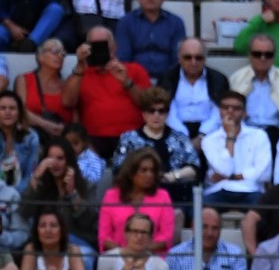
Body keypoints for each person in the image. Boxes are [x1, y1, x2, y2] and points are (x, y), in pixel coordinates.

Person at [63, 26, 148, 162]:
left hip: (129, 136)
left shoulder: (134, 69)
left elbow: (147, 104)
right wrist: (79, 66)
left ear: (114, 46)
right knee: (85, 164)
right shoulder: (80, 74)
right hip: (93, 138)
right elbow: (67, 101)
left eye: (103, 43)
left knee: (131, 165)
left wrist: (127, 82)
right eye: (93, 44)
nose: (98, 48)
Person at [113, 87, 200, 207]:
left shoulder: (180, 138)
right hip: (139, 196)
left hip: (175, 194)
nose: (156, 115)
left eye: (161, 111)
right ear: (143, 113)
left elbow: (194, 168)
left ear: (168, 113)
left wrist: (173, 176)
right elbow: (119, 170)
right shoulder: (129, 139)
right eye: (151, 111)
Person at [229, 34, 279, 150]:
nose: (263, 58)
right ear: (249, 55)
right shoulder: (237, 79)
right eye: (257, 54)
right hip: (245, 134)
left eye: (268, 55)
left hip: (277, 135)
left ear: (274, 56)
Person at [202, 90, 273, 209]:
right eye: (225, 107)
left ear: (244, 113)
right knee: (201, 211)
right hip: (220, 189)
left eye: (236, 108)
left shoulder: (259, 135)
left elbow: (263, 174)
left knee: (262, 211)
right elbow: (225, 169)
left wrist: (231, 177)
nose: (230, 111)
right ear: (219, 111)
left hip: (251, 190)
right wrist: (230, 136)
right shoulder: (209, 140)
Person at [99, 149, 175, 255]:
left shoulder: (163, 196)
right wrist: (126, 253)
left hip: (151, 257)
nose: (149, 175)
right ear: (131, 173)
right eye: (143, 170)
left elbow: (166, 237)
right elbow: (104, 237)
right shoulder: (111, 196)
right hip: (117, 256)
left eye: (152, 171)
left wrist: (140, 251)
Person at [20, 137, 97, 243]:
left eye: (60, 158)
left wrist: (72, 193)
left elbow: (89, 223)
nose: (54, 163)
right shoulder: (41, 186)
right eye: (50, 159)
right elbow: (24, 212)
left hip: (78, 242)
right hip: (47, 243)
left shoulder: (87, 186)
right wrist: (36, 176)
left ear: (69, 160)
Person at [114, 0, 187, 86]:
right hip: (135, 82)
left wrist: (168, 82)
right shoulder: (126, 22)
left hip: (168, 81)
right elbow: (124, 59)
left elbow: (177, 59)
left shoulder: (176, 22)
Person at [163, 39, 229, 144]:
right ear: (179, 59)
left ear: (205, 59)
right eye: (188, 57)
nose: (193, 62)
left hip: (211, 133)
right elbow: (167, 111)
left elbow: (219, 111)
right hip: (174, 132)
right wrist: (183, 137)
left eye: (198, 58)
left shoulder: (218, 79)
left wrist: (202, 136)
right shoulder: (167, 78)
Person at [166, 207, 250, 270]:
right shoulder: (175, 255)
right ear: (193, 227)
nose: (209, 233)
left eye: (215, 228)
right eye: (204, 227)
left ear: (220, 230)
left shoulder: (235, 255)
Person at [13, 41, 72, 144]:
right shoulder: (24, 80)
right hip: (30, 140)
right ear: (40, 57)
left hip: (61, 142)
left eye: (63, 53)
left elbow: (75, 119)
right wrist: (45, 124)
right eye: (55, 52)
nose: (60, 56)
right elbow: (20, 111)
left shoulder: (68, 85)